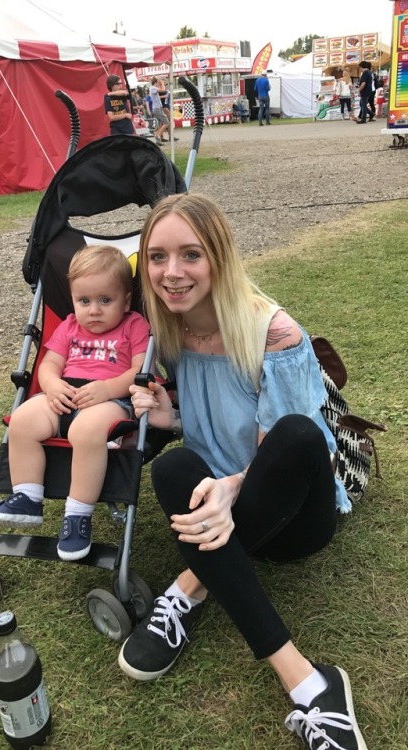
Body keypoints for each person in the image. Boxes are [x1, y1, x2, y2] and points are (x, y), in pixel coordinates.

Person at [117, 193, 368, 750]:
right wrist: (170, 417)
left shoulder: (273, 332)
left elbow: (294, 451)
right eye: (157, 257)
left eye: (190, 255)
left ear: (220, 258)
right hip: (218, 518)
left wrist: (233, 488)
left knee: (298, 434)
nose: (172, 273)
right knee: (173, 468)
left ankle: (188, 588)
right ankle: (311, 683)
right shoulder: (170, 331)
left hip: (291, 514)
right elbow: (211, 426)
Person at [0, 245, 150, 561]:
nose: (94, 310)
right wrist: (51, 385)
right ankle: (27, 496)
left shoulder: (134, 325)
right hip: (63, 393)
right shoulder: (70, 325)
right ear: (73, 300)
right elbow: (49, 364)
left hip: (110, 398)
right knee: (22, 420)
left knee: (85, 430)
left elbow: (141, 371)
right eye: (84, 301)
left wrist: (107, 388)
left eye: (106, 300)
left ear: (126, 300)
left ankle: (77, 515)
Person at [149, 76, 170, 145]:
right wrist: (162, 83)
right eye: (158, 82)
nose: (159, 84)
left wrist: (162, 83)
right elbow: (163, 90)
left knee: (161, 123)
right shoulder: (153, 88)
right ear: (155, 82)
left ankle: (157, 136)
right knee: (166, 122)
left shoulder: (153, 88)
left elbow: (162, 89)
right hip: (157, 108)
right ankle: (158, 136)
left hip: (158, 108)